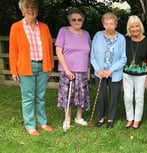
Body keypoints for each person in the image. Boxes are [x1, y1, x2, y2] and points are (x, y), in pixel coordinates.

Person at [9, 0, 54, 136]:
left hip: (42, 66)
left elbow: (49, 48)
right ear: (22, 10)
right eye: (27, 7)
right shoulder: (16, 27)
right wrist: (13, 70)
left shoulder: (44, 27)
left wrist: (50, 66)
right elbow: (13, 50)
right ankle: (30, 126)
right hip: (25, 66)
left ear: (37, 10)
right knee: (28, 98)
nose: (30, 10)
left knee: (40, 97)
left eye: (33, 7)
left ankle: (42, 122)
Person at [55, 8, 91, 130]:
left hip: (82, 70)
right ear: (70, 21)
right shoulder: (63, 31)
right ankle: (67, 119)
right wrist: (67, 70)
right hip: (67, 70)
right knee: (67, 95)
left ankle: (78, 117)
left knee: (82, 94)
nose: (77, 21)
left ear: (83, 21)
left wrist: (88, 69)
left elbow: (88, 53)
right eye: (73, 19)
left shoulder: (86, 34)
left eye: (79, 19)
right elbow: (59, 52)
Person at [90, 12, 127, 129]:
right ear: (103, 24)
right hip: (100, 72)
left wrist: (111, 70)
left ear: (115, 24)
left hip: (114, 73)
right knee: (101, 96)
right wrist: (98, 69)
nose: (109, 26)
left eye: (111, 23)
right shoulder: (97, 35)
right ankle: (100, 118)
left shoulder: (121, 38)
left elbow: (123, 58)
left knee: (114, 96)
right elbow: (93, 56)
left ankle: (111, 118)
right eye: (106, 24)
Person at [123, 15, 147, 129]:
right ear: (129, 28)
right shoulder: (125, 40)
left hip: (141, 75)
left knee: (139, 98)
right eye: (132, 27)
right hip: (126, 74)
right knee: (127, 97)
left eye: (137, 26)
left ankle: (137, 120)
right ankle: (129, 118)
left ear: (140, 27)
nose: (135, 29)